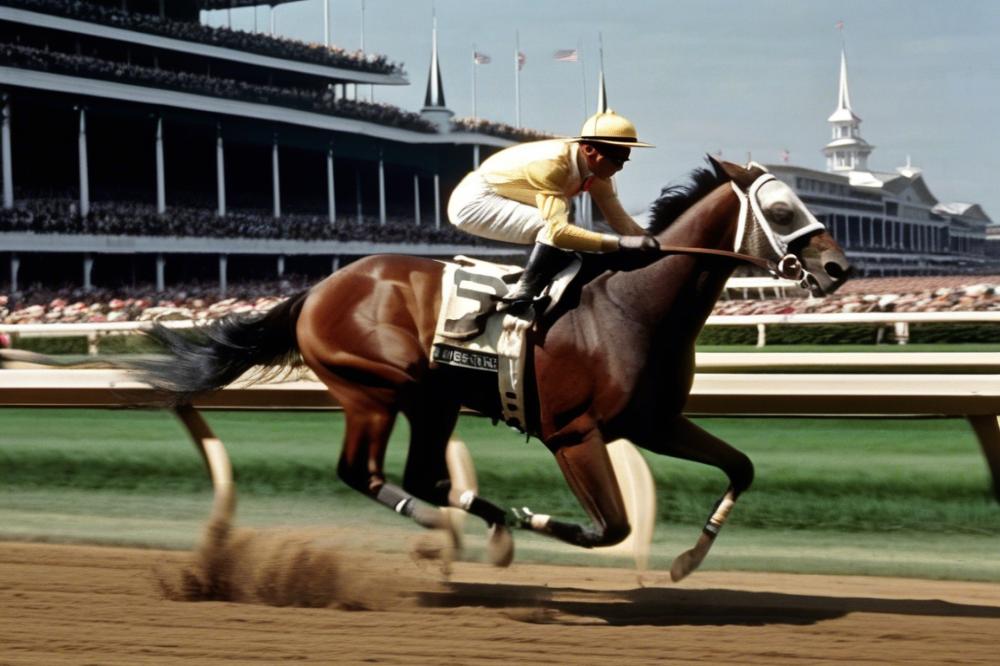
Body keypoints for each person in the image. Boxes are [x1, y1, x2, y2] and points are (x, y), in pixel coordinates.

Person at [447, 109, 659, 315]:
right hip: (474, 201)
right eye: (616, 160)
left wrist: (654, 242)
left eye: (624, 161)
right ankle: (522, 292)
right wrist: (621, 243)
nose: (620, 168)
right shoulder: (553, 165)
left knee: (566, 237)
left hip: (501, 194)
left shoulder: (597, 174)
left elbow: (620, 220)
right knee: (552, 228)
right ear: (589, 150)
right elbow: (558, 232)